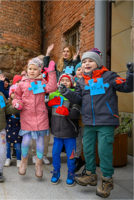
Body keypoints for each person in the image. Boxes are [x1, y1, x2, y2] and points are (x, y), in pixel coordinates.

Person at [58, 48, 133, 198]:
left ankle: (107, 179)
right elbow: (78, 98)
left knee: (104, 151)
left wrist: (131, 74)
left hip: (106, 120)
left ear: (98, 63)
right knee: (88, 149)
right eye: (84, 61)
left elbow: (127, 87)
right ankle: (91, 174)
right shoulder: (81, 81)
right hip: (89, 121)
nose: (87, 63)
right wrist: (66, 92)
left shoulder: (109, 76)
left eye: (90, 60)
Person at [13, 57, 57, 178]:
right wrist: (16, 103)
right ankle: (24, 161)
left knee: (40, 141)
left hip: (41, 116)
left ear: (40, 70)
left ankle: (39, 164)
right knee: (26, 140)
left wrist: (52, 73)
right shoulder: (22, 83)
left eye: (35, 69)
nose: (31, 71)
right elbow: (16, 96)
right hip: (27, 116)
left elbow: (52, 88)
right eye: (29, 68)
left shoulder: (42, 83)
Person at [47, 73, 81, 186]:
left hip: (70, 131)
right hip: (56, 132)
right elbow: (46, 113)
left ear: (71, 83)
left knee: (71, 155)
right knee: (55, 153)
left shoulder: (74, 96)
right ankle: (56, 172)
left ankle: (71, 173)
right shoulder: (53, 95)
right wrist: (49, 104)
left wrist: (68, 112)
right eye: (62, 80)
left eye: (67, 80)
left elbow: (77, 112)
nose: (64, 82)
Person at [4, 84, 22, 168]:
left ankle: (19, 159)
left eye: (16, 92)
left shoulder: (21, 103)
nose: (14, 94)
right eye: (13, 92)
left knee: (17, 146)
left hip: (17, 127)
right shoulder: (7, 103)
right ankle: (8, 158)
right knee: (7, 145)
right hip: (8, 127)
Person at [73, 62, 86, 173]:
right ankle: (78, 159)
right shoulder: (72, 85)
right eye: (78, 69)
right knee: (77, 139)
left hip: (86, 118)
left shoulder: (88, 83)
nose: (80, 71)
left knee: (86, 140)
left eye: (82, 69)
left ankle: (87, 161)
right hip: (76, 119)